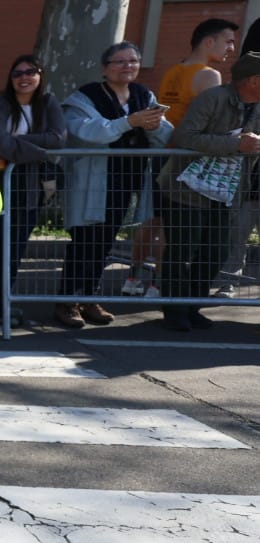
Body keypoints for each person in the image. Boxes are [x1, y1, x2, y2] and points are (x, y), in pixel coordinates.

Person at [56, 42, 172, 329]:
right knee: (84, 240)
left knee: (105, 242)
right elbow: (87, 131)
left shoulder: (144, 95)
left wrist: (155, 126)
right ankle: (67, 301)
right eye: (120, 62)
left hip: (126, 180)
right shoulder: (85, 97)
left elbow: (165, 134)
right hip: (92, 181)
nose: (128, 66)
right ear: (105, 68)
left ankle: (89, 298)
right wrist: (129, 121)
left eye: (133, 61)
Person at [153, 52, 260, 331]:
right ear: (253, 81)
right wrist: (235, 144)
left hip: (227, 192)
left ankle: (192, 306)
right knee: (183, 249)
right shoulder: (213, 98)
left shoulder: (257, 107)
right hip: (186, 189)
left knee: (215, 251)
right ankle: (174, 311)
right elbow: (185, 137)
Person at [0, 55, 68, 328]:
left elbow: (58, 140)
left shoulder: (48, 104)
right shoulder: (1, 103)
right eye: (17, 73)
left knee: (13, 248)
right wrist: (36, 151)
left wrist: (15, 145)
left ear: (40, 76)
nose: (24, 78)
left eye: (30, 72)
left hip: (30, 188)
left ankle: (3, 304)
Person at [148, 19, 239, 296]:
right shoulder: (209, 75)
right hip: (190, 163)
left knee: (166, 227)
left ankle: (160, 285)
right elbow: (213, 122)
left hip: (164, 154)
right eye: (228, 41)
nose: (232, 49)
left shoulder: (174, 70)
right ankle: (176, 294)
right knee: (190, 238)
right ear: (209, 42)